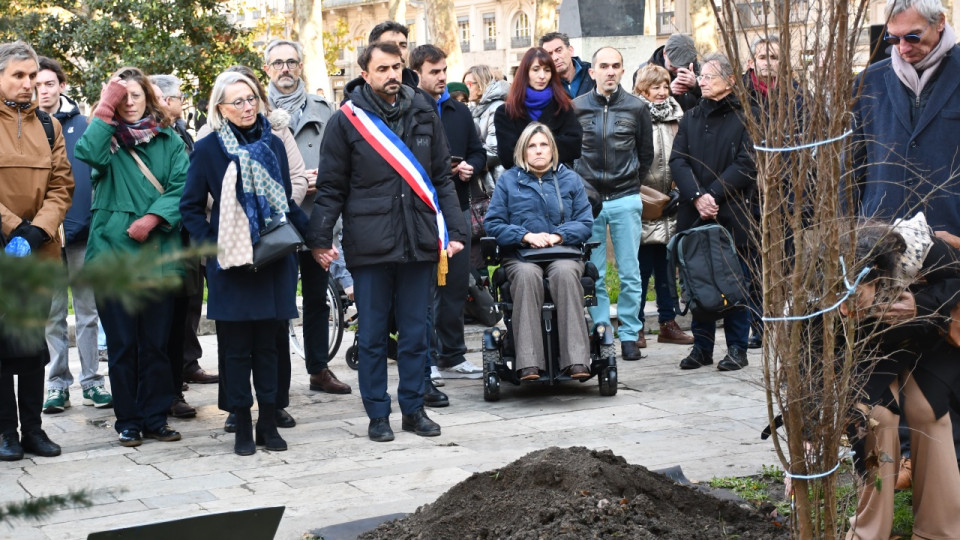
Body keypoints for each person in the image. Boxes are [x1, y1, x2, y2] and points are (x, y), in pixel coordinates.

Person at [307, 41, 466, 442]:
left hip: (419, 239)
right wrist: (320, 238)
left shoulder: (423, 110)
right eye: (382, 69)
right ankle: (378, 414)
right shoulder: (346, 121)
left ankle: (413, 409)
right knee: (375, 336)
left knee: (415, 333)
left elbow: (440, 178)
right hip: (370, 244)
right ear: (366, 74)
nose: (392, 75)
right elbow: (330, 187)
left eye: (396, 67)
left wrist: (457, 230)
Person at [849, 0, 960, 520]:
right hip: (882, 246)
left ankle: (944, 491)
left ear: (942, 26)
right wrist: (857, 234)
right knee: (884, 365)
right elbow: (856, 162)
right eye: (894, 38)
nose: (903, 48)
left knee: (947, 363)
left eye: (913, 36)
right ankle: (902, 471)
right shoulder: (871, 81)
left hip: (951, 243)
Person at [181, 71, 308, 456]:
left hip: (272, 261)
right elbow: (189, 207)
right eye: (237, 101)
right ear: (220, 108)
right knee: (235, 351)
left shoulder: (271, 142)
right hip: (232, 266)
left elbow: (284, 199)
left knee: (269, 348)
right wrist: (213, 248)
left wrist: (316, 238)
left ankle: (268, 422)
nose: (247, 106)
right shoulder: (207, 150)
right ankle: (240, 425)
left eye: (251, 98)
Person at [75, 66, 188, 447]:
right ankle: (128, 420)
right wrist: (104, 108)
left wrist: (154, 217)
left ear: (148, 97)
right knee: (123, 345)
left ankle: (155, 417)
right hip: (112, 256)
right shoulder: (105, 140)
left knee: (155, 344)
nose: (129, 102)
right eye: (120, 97)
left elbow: (181, 186)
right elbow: (86, 152)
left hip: (158, 253)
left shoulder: (169, 139)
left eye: (135, 95)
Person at [843, 218, 960, 540]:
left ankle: (941, 530)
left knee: (929, 412)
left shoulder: (921, 249)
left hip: (927, 334)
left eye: (857, 296)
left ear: (879, 275)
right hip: (868, 348)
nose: (847, 307)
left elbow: (957, 282)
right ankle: (868, 532)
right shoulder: (822, 280)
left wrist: (919, 306)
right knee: (876, 418)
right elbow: (816, 351)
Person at [264, 39, 352, 398]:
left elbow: (342, 156)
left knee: (317, 297)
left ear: (300, 66)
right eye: (278, 63)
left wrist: (324, 179)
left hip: (318, 217)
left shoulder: (324, 108)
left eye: (292, 62)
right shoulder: (257, 109)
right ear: (267, 69)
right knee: (278, 300)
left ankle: (318, 368)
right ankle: (274, 377)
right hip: (278, 218)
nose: (286, 69)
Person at [0, 41, 72, 461]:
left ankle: (34, 430)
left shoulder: (50, 126)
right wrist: (14, 229)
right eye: (19, 76)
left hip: (40, 252)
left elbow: (63, 186)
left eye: (32, 76)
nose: (28, 84)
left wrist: (36, 232)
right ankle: (6, 432)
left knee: (31, 345)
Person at [484, 122, 594, 380]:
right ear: (523, 151)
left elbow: (586, 222)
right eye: (532, 146)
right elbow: (493, 223)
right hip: (522, 255)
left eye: (544, 145)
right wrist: (525, 236)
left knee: (565, 274)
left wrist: (560, 235)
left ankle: (576, 360)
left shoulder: (570, 179)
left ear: (552, 149)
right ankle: (528, 363)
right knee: (526, 276)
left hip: (564, 252)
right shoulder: (509, 181)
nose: (538, 151)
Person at [35, 56, 113, 414]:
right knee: (51, 315)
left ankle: (92, 382)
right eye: (36, 84)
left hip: (83, 236)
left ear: (62, 86)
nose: (42, 90)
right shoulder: (24, 127)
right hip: (45, 239)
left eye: (49, 83)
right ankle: (56, 384)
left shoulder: (84, 124)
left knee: (87, 312)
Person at [669, 53, 756, 372]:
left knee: (736, 281)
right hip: (694, 213)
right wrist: (696, 196)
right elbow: (678, 160)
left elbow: (747, 164)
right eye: (701, 77)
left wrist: (713, 194)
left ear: (731, 80)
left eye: (708, 77)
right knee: (696, 279)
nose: (701, 82)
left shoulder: (748, 116)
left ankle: (737, 348)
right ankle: (702, 347)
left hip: (732, 212)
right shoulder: (691, 117)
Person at [411, 44, 487, 390]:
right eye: (434, 71)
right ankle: (426, 358)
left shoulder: (458, 111)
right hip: (422, 210)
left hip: (456, 206)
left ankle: (453, 354)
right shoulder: (410, 111)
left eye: (444, 70)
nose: (442, 77)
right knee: (425, 290)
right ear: (417, 74)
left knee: (456, 283)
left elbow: (477, 150)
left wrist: (472, 166)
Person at [573, 47, 653, 360]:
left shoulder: (636, 108)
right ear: (591, 72)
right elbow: (570, 154)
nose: (610, 71)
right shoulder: (577, 107)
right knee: (595, 272)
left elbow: (645, 154)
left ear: (622, 71)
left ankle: (631, 334)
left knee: (630, 272)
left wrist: (632, 182)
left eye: (615, 66)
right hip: (589, 202)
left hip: (625, 198)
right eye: (603, 66)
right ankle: (602, 330)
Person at [150, 74, 208, 421]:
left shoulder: (181, 134)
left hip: (185, 239)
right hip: (158, 238)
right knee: (158, 321)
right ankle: (159, 392)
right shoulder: (140, 138)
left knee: (181, 316)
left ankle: (175, 387)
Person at [632, 64, 694, 347]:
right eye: (654, 87)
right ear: (642, 89)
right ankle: (637, 324)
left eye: (664, 87)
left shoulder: (678, 115)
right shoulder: (635, 115)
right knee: (641, 268)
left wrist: (682, 191)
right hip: (645, 200)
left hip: (673, 201)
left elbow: (685, 154)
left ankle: (668, 321)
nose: (661, 92)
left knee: (667, 266)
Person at [494, 47, 582, 171]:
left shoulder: (563, 107)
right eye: (536, 70)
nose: (542, 76)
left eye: (547, 70)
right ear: (525, 73)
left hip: (557, 181)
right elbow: (507, 157)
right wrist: (550, 146)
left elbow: (574, 147)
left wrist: (526, 147)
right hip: (521, 183)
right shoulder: (505, 112)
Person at [464, 64, 509, 269]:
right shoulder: (475, 108)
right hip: (481, 185)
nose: (466, 89)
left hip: (496, 183)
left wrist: (470, 160)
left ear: (481, 84)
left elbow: (495, 150)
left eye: (469, 84)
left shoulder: (498, 108)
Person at [639, 33, 701, 111]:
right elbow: (640, 108)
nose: (678, 70)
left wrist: (696, 86)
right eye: (673, 66)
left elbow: (712, 103)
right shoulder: (643, 73)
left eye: (683, 65)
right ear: (665, 54)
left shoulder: (700, 69)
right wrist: (667, 91)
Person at [539, 32, 596, 99]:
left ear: (570, 50)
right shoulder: (546, 83)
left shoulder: (592, 72)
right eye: (549, 54)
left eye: (559, 50)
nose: (555, 58)